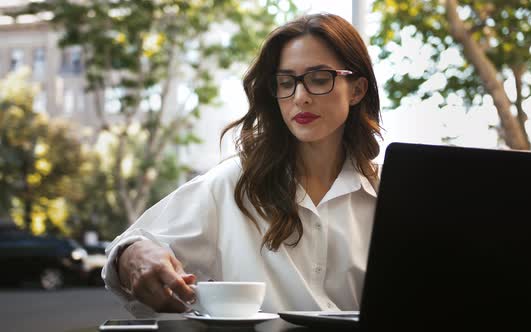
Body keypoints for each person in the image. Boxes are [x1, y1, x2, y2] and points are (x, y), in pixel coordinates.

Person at [102, 12, 382, 316]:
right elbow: (129, 250)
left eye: (319, 79)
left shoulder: (387, 196)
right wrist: (134, 256)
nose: (300, 97)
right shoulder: (232, 183)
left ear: (357, 90)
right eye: (286, 82)